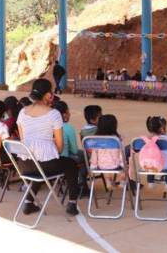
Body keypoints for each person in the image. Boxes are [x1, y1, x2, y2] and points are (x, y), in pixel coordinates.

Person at [15, 78, 79, 216]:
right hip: (44, 165)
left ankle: (28, 203)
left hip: (24, 164)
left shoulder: (23, 112)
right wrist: (49, 150)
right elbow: (60, 147)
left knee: (38, 165)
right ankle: (72, 203)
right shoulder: (53, 114)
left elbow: (23, 139)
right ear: (48, 95)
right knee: (70, 164)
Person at [90, 115, 127, 189]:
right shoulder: (118, 139)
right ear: (114, 126)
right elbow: (121, 154)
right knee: (127, 166)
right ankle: (123, 181)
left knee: (106, 162)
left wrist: (93, 166)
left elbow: (94, 153)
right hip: (115, 165)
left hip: (101, 165)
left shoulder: (96, 139)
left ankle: (108, 180)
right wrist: (123, 166)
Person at [144, 116, 167, 191]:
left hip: (151, 167)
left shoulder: (148, 139)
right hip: (165, 166)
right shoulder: (166, 139)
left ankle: (150, 182)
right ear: (162, 129)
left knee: (150, 162)